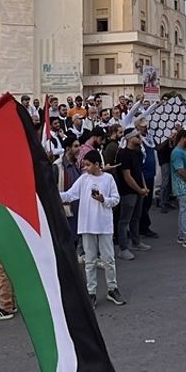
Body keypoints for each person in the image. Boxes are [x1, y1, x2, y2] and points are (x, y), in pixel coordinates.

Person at [59, 150, 125, 307]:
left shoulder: (108, 179)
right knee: (90, 261)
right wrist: (54, 195)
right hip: (87, 225)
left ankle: (112, 288)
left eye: (88, 165)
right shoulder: (83, 179)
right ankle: (91, 292)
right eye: (84, 165)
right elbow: (70, 195)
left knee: (108, 259)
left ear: (97, 164)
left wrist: (104, 199)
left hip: (104, 225)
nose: (86, 168)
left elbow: (116, 199)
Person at [114, 129, 151, 260]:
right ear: (130, 138)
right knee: (124, 220)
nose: (140, 138)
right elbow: (127, 176)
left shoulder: (137, 153)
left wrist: (144, 187)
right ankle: (123, 248)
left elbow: (138, 172)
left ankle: (136, 242)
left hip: (138, 191)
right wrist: (139, 189)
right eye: (137, 136)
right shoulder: (123, 154)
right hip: (128, 192)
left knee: (136, 218)